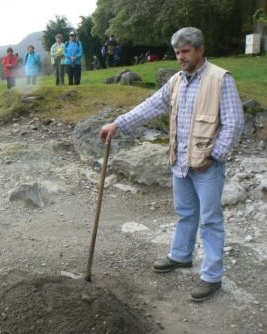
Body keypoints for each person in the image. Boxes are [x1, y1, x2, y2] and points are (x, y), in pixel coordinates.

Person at [99, 27, 244, 302]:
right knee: (185, 212)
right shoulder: (177, 81)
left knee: (210, 220)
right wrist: (118, 123)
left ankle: (212, 276)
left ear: (200, 50)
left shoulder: (220, 79)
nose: (181, 57)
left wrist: (214, 156)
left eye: (186, 51)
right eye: (177, 52)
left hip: (207, 166)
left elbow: (234, 122)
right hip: (180, 162)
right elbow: (151, 105)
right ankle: (181, 256)